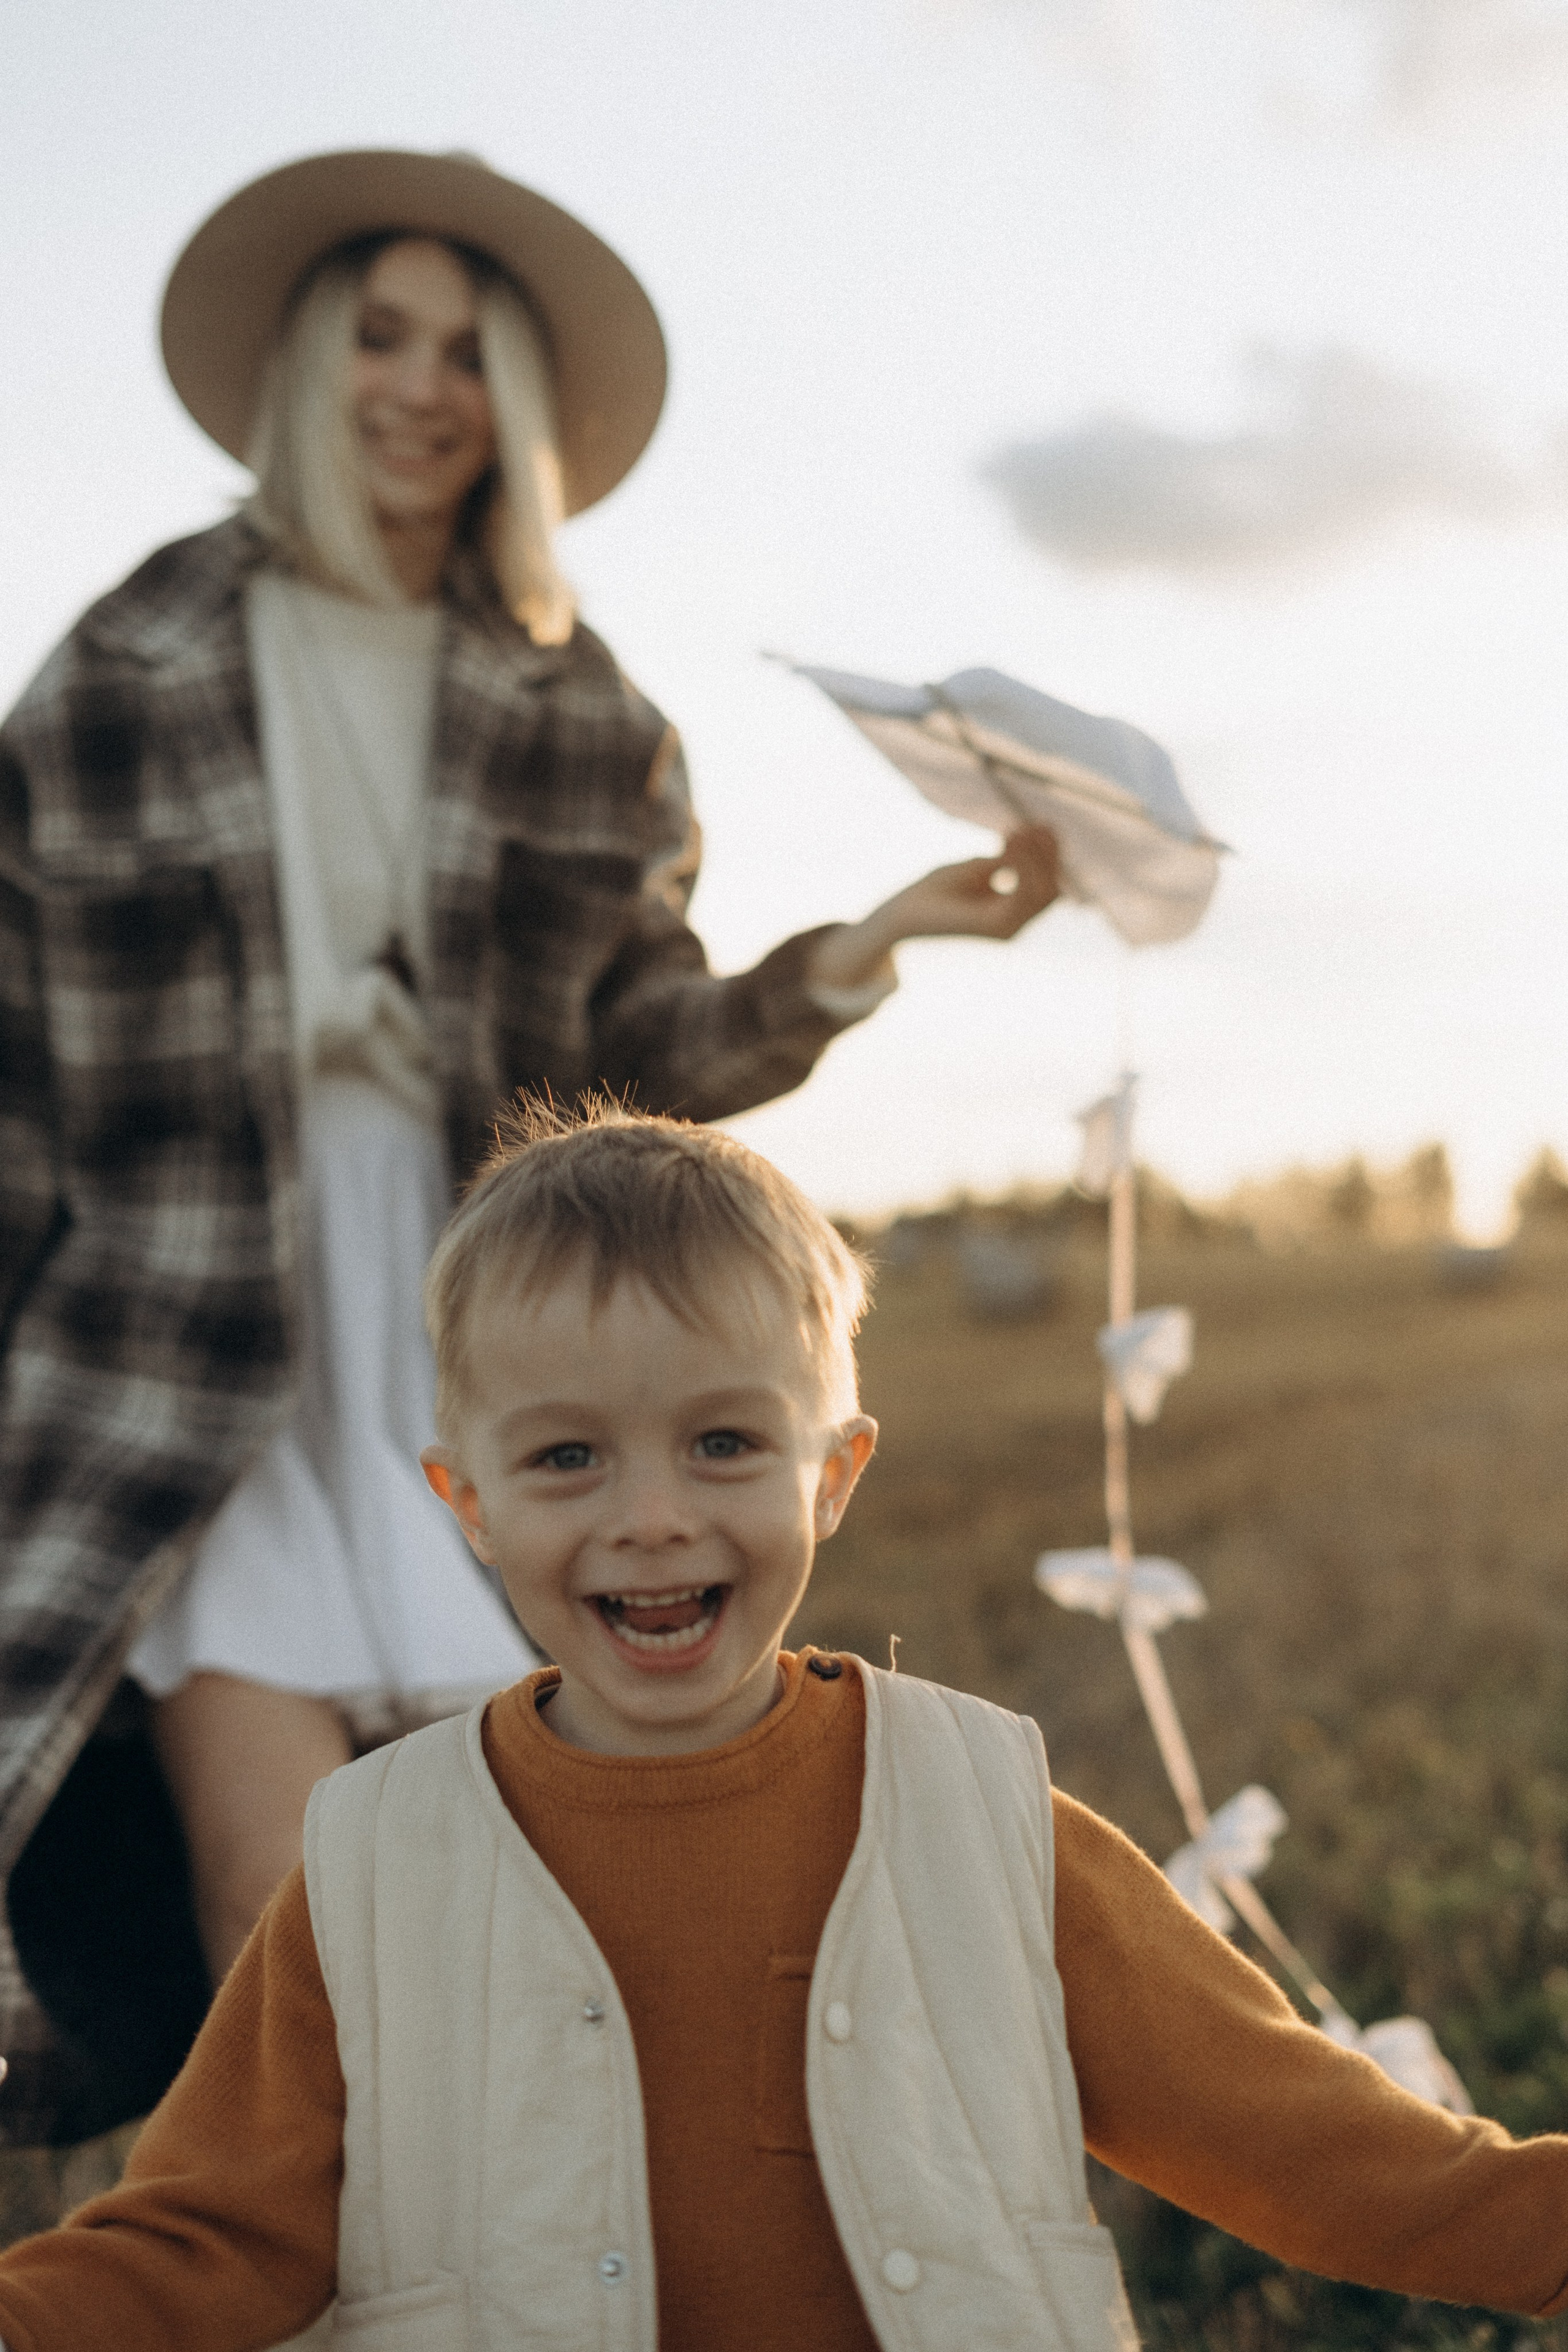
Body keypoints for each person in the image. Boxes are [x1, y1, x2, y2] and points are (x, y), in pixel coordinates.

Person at [0, 150, 1060, 2147]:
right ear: (306, 367)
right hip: (182, 1342)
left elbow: (644, 1049)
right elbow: (16, 1075)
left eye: (467, 355)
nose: (422, 389)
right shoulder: (125, 668)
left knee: (545, 1889)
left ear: (516, 411)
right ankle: (287, 2263)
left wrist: (868, 946)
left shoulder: (580, 707)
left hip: (482, 1316)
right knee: (272, 1918)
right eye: (381, 338)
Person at [0, 1101, 1566, 2352]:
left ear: (833, 1473)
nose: (650, 1517)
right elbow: (209, 2237)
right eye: (565, 1460)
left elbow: (1303, 2139)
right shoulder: (369, 1865)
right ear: (463, 1505)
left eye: (723, 1443)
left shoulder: (984, 1820)